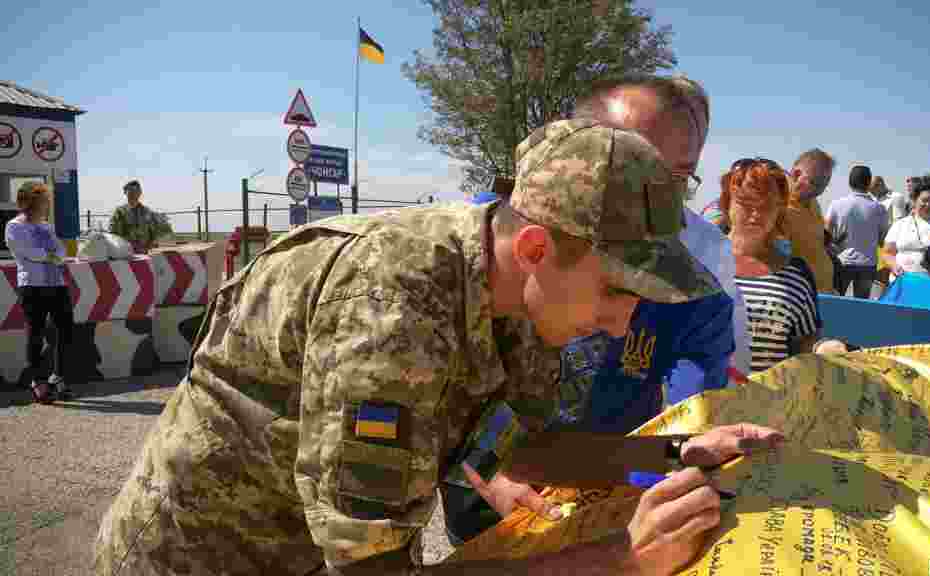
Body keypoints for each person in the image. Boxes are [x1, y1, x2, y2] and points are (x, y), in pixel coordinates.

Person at [94, 118, 783, 576]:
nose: (619, 322)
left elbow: (516, 452)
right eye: (615, 291)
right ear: (537, 248)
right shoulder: (391, 308)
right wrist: (621, 559)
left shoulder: (516, 294)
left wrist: (670, 455)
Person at [447, 73, 753, 547]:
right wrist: (486, 461)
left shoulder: (700, 280)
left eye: (678, 178)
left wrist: (676, 458)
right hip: (489, 496)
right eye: (632, 166)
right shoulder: (477, 252)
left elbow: (688, 411)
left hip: (612, 490)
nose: (657, 199)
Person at [725, 158, 823, 372]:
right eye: (746, 202)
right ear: (728, 202)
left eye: (767, 205)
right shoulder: (699, 261)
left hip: (769, 402)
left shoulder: (796, 275)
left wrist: (823, 348)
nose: (756, 214)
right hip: (702, 403)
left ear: (779, 210)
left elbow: (805, 344)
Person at [3, 182, 74, 403]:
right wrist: (52, 255)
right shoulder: (14, 226)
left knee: (66, 330)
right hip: (33, 286)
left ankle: (58, 377)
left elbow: (61, 249)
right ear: (30, 203)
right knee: (36, 334)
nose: (47, 205)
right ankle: (37, 381)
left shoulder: (47, 226)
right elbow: (30, 252)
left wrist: (55, 254)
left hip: (56, 284)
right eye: (43, 201)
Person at [825, 165, 889, 299]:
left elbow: (826, 236)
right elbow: (883, 240)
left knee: (836, 300)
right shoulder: (879, 209)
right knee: (861, 304)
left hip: (842, 262)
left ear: (849, 182)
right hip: (868, 264)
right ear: (869, 183)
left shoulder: (836, 204)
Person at [778, 148, 837, 294]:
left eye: (825, 185)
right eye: (816, 184)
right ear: (796, 174)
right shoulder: (777, 207)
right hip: (798, 296)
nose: (820, 191)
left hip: (824, 292)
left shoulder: (813, 203)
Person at [108, 179, 172, 254]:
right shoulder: (119, 212)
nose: (133, 194)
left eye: (136, 191)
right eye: (130, 191)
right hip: (125, 254)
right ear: (125, 193)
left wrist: (150, 245)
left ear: (140, 193)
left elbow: (155, 232)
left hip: (144, 253)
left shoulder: (147, 212)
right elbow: (113, 235)